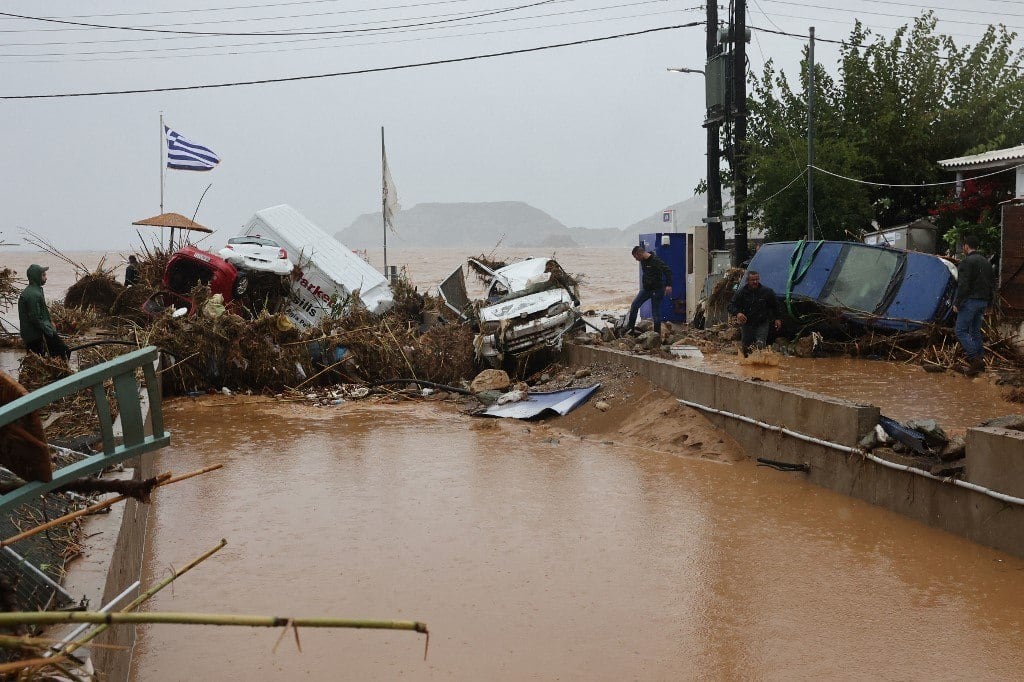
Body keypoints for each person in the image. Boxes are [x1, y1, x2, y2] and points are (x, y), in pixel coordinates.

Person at [954, 234, 994, 377]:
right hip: (983, 302)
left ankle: (975, 359)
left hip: (970, 301)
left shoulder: (966, 262)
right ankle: (981, 361)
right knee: (975, 332)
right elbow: (991, 285)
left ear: (966, 246)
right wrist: (990, 304)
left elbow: (963, 285)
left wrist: (958, 303)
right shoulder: (986, 262)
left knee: (960, 331)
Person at [17, 264, 70, 360]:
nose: (46, 278)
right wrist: (49, 330)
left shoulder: (35, 290)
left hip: (35, 333)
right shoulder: (33, 294)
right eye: (43, 275)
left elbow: (42, 312)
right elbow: (35, 318)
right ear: (37, 276)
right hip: (34, 335)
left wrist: (50, 322)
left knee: (41, 359)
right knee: (62, 351)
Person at [727, 270, 782, 357]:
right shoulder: (741, 292)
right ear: (748, 281)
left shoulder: (767, 292)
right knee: (746, 348)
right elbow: (730, 306)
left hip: (762, 323)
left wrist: (777, 318)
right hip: (747, 323)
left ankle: (759, 367)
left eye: (757, 279)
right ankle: (746, 367)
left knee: (760, 345)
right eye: (753, 280)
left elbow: (776, 305)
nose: (755, 282)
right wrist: (738, 313)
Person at [622, 245, 672, 336]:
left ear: (640, 253)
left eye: (636, 257)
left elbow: (667, 270)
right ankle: (630, 328)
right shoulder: (643, 260)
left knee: (655, 313)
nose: (636, 259)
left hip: (657, 290)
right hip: (646, 290)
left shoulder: (655, 261)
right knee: (634, 305)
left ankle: (656, 335)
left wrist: (668, 285)